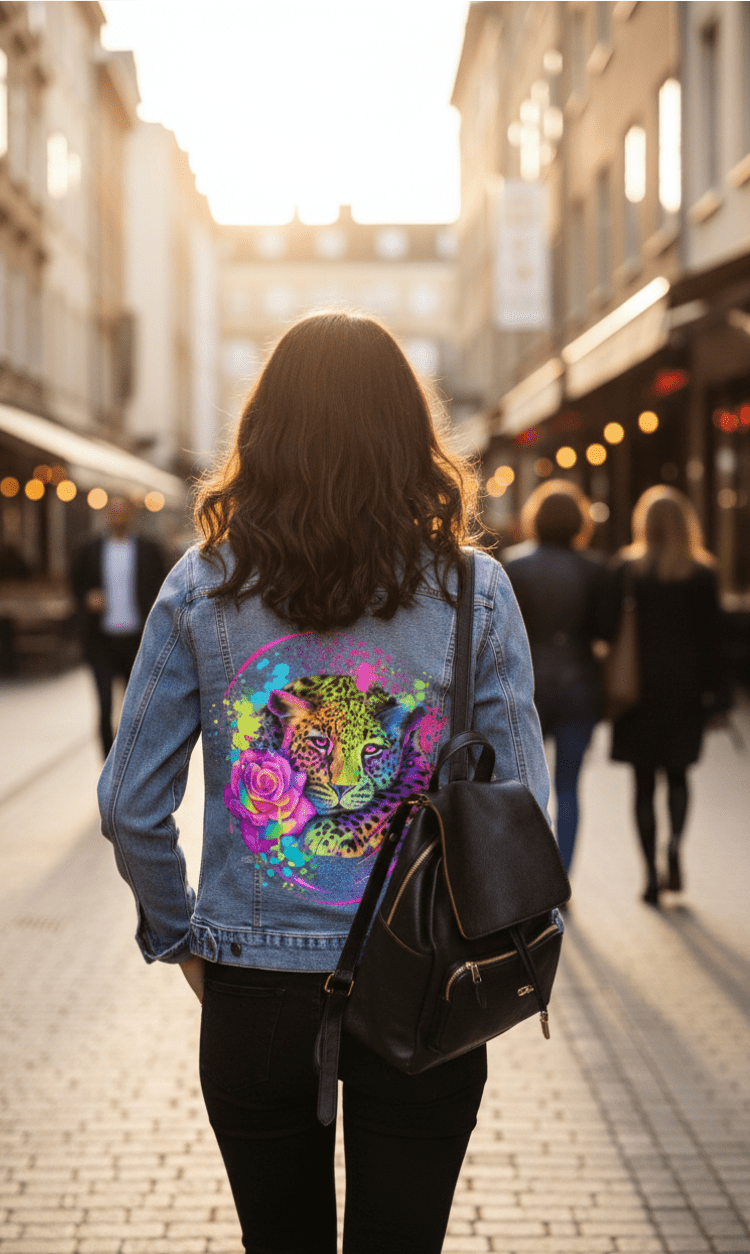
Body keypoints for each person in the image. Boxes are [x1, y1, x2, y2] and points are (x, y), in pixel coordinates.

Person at [97, 312, 550, 1254]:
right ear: (410, 439)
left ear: (263, 436)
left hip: (253, 991)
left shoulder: (201, 585)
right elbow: (525, 810)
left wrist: (183, 938)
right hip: (427, 982)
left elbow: (129, 802)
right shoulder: (475, 593)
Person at [610, 486, 725, 906]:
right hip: (686, 691)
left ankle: (649, 877)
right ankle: (675, 846)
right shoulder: (702, 573)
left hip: (637, 690)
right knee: (678, 775)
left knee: (642, 785)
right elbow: (716, 640)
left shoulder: (627, 569)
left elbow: (607, 628)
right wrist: (719, 698)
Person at [502, 481, 614, 878]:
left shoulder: (514, 566)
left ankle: (531, 878)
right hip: (579, 688)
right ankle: (562, 875)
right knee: (569, 788)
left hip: (524, 689)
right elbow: (606, 632)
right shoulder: (596, 569)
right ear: (579, 522)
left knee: (524, 788)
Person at [71, 495, 169, 757]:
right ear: (106, 515)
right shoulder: (89, 549)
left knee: (134, 708)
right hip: (101, 641)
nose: (118, 516)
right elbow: (75, 588)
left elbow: (165, 589)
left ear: (131, 515)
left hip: (136, 641)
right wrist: (87, 599)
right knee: (104, 706)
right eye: (113, 511)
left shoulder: (149, 550)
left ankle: (129, 761)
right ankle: (106, 766)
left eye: (122, 511)